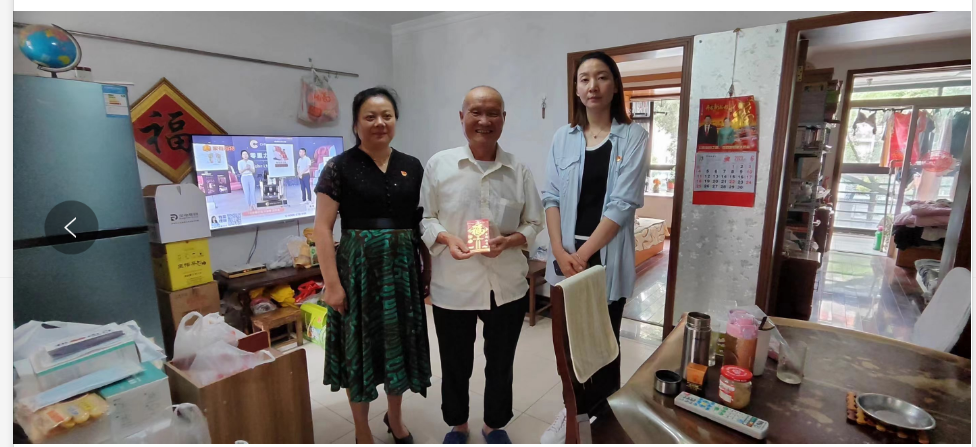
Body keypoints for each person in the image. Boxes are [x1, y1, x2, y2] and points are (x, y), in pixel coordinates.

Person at [420, 86, 544, 444]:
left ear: (504, 118)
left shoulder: (518, 170)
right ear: (462, 117)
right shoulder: (440, 165)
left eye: (493, 113)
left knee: (500, 363)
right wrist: (447, 238)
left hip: (506, 286)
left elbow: (534, 222)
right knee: (455, 363)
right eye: (476, 112)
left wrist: (510, 241)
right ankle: (457, 424)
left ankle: (494, 424)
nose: (484, 120)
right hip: (454, 285)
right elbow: (426, 218)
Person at [540, 51, 649, 443]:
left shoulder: (633, 136)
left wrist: (583, 256)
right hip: (567, 257)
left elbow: (622, 204)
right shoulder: (563, 137)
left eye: (601, 77)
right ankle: (575, 414)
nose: (592, 86)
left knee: (603, 343)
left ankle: (602, 418)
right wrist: (558, 250)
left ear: (615, 85)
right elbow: (551, 196)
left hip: (604, 258)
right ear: (576, 88)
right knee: (570, 345)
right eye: (584, 78)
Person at [314, 87, 432, 444]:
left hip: (402, 271)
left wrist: (427, 270)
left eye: (387, 116)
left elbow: (422, 222)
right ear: (356, 124)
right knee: (359, 350)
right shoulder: (338, 167)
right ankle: (361, 429)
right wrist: (332, 284)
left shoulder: (412, 166)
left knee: (397, 346)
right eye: (370, 117)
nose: (380, 123)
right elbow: (322, 228)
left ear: (395, 121)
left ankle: (394, 418)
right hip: (358, 273)